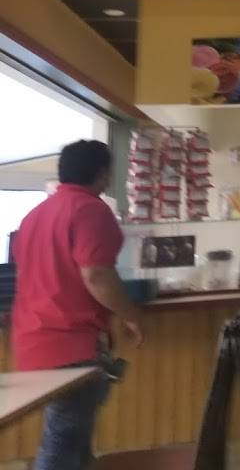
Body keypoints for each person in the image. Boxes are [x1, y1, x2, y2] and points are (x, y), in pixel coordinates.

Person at [13, 140, 144, 470]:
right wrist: (131, 315)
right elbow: (97, 275)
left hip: (32, 339)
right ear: (103, 174)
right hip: (71, 342)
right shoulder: (90, 210)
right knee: (63, 440)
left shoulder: (35, 215)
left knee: (73, 438)